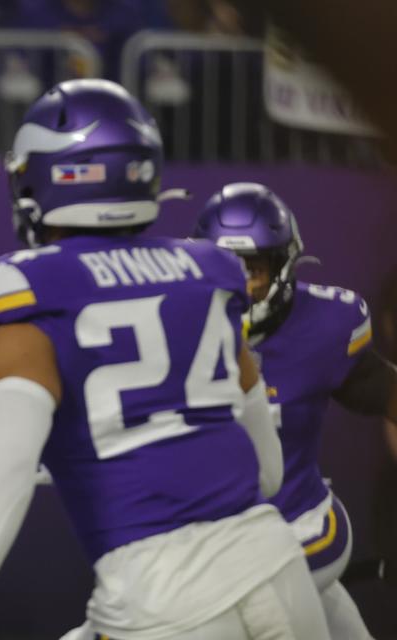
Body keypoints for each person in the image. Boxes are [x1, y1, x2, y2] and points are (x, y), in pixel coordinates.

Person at [0, 79, 330, 640]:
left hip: (161, 594)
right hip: (278, 565)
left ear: (53, 175)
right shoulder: (210, 270)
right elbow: (266, 468)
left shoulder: (26, 284)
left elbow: (7, 463)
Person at [192, 182, 397, 638]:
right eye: (225, 266)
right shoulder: (168, 328)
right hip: (205, 543)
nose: (241, 285)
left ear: (283, 268)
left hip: (297, 526)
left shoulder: (322, 328)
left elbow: (379, 387)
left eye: (254, 269)